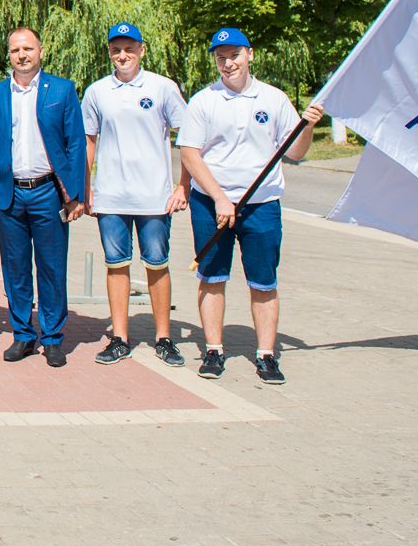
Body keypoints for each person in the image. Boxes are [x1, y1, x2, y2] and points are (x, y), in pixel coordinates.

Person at [177, 27, 323, 384]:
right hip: (212, 204)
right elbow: (190, 154)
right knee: (212, 277)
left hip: (261, 204)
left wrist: (308, 126)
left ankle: (266, 355)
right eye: (220, 58)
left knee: (263, 281)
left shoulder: (273, 99)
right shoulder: (203, 100)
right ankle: (214, 349)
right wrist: (220, 198)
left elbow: (297, 152)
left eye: (234, 56)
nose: (227, 64)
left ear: (250, 54)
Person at [81, 22, 190, 368]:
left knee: (157, 264)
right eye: (116, 49)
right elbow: (89, 141)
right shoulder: (97, 91)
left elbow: (186, 137)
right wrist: (86, 188)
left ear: (142, 50)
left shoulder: (162, 87)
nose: (122, 55)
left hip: (154, 197)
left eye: (129, 48)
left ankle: (163, 337)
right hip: (111, 195)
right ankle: (120, 338)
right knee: (116, 265)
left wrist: (183, 185)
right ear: (109, 52)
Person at [0, 27, 86, 368]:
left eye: (27, 48)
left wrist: (76, 195)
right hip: (10, 193)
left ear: (41, 50)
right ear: (8, 54)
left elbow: (75, 144)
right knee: (15, 269)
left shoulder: (62, 89)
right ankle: (23, 335)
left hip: (48, 193)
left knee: (52, 267)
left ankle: (53, 337)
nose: (22, 55)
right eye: (15, 50)